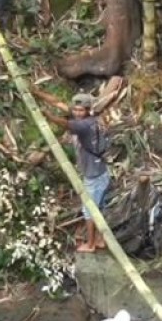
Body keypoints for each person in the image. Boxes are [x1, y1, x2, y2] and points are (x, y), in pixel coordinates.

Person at [38, 90, 111, 253]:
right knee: (99, 207)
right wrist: (38, 93)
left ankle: (91, 244)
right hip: (100, 171)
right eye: (75, 110)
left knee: (89, 210)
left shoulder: (85, 125)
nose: (77, 113)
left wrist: (48, 116)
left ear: (88, 110)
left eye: (81, 111)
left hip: (94, 175)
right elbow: (57, 101)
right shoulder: (87, 119)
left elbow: (66, 124)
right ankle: (100, 240)